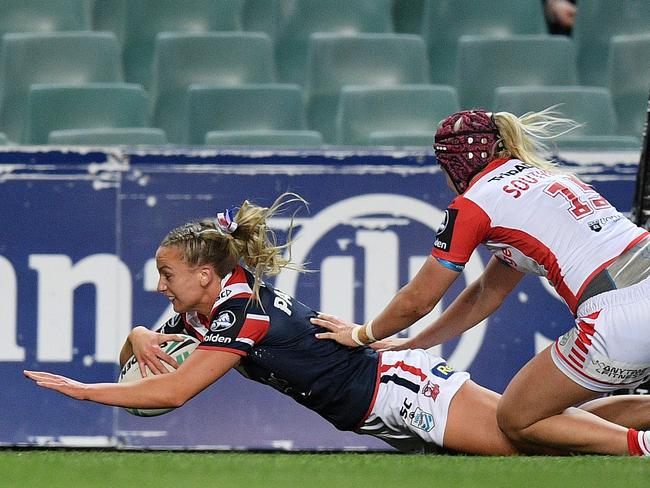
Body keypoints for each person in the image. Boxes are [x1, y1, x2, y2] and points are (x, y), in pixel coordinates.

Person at [23, 193, 650, 455]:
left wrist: (81, 391)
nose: (159, 284)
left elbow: (173, 390)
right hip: (384, 396)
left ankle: (643, 447)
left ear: (206, 274)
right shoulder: (206, 305)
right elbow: (161, 339)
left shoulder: (240, 313)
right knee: (542, 431)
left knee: (533, 439)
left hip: (401, 390)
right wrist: (138, 335)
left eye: (165, 271)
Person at [312, 108, 650, 456]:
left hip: (617, 317)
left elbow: (419, 299)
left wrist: (362, 335)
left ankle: (643, 447)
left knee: (518, 419)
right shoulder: (545, 178)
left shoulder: (473, 204)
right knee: (565, 419)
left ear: (452, 166)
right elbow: (487, 293)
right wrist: (415, 344)